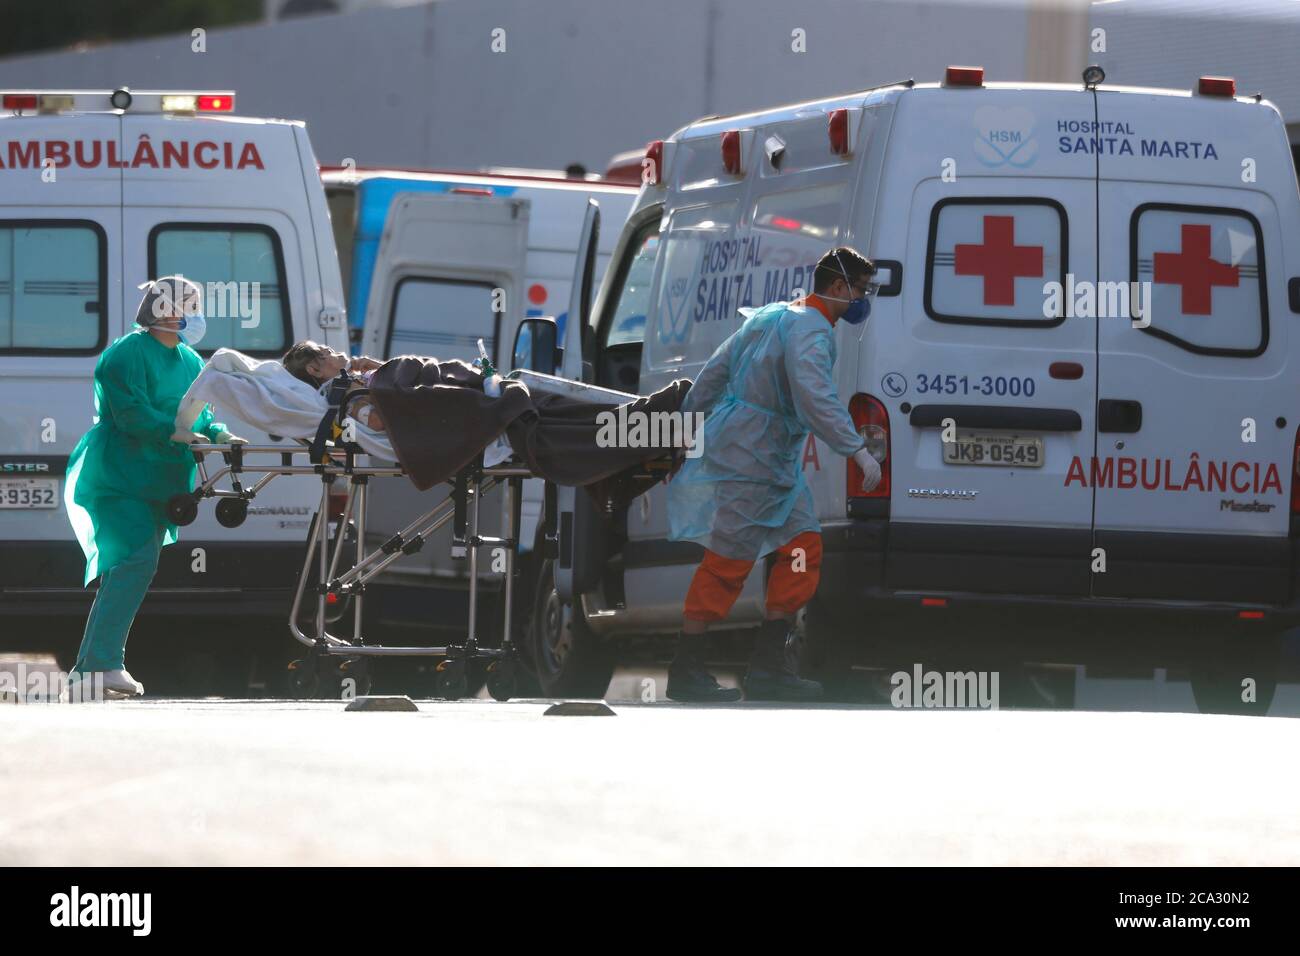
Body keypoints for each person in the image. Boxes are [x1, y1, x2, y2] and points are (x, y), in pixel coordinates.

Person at [665, 247, 883, 702]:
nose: (864, 300)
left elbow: (715, 371)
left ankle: (769, 664)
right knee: (729, 559)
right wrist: (857, 450)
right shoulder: (813, 330)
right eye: (862, 290)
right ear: (839, 287)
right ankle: (687, 668)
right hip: (755, 458)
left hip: (766, 457)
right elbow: (814, 395)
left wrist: (686, 421)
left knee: (802, 546)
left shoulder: (774, 316)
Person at [64, 276, 243, 699]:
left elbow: (199, 414)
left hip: (162, 480)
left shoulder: (189, 360)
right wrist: (173, 432)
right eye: (189, 305)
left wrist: (219, 435)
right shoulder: (124, 355)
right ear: (164, 309)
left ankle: (91, 669)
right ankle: (103, 664)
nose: (194, 315)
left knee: (132, 567)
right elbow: (130, 414)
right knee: (132, 562)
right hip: (120, 476)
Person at [282, 341, 387, 431]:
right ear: (315, 370)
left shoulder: (355, 382)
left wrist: (379, 367)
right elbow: (378, 422)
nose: (328, 348)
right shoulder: (346, 399)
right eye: (327, 353)